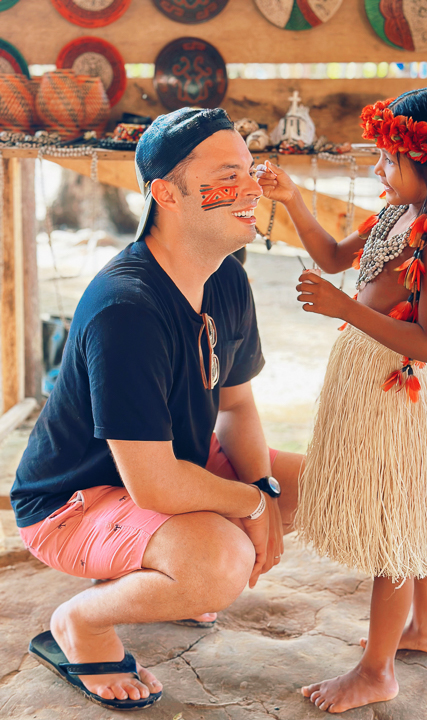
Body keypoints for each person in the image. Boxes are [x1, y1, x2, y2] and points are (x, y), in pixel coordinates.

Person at [11, 107, 302, 711]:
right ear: (166, 193)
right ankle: (81, 624)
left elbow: (237, 404)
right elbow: (153, 483)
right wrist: (250, 502)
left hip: (159, 472)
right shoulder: (128, 307)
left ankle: (166, 570)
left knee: (323, 483)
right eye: (230, 174)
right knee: (222, 562)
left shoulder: (226, 278)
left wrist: (264, 487)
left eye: (251, 169)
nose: (254, 187)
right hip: (74, 501)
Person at [257, 87, 427, 713]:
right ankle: (425, 628)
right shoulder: (391, 216)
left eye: (390, 159)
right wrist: (295, 199)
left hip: (401, 390)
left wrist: (345, 309)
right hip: (367, 376)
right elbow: (331, 256)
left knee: (397, 528)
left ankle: (377, 670)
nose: (379, 170)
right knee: (414, 514)